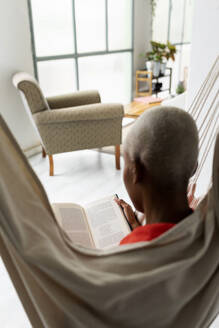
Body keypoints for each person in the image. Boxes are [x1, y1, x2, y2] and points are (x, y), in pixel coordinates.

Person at [115, 106, 199, 245]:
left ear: (136, 170)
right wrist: (135, 225)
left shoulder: (129, 250)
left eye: (125, 162)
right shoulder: (207, 230)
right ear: (193, 167)